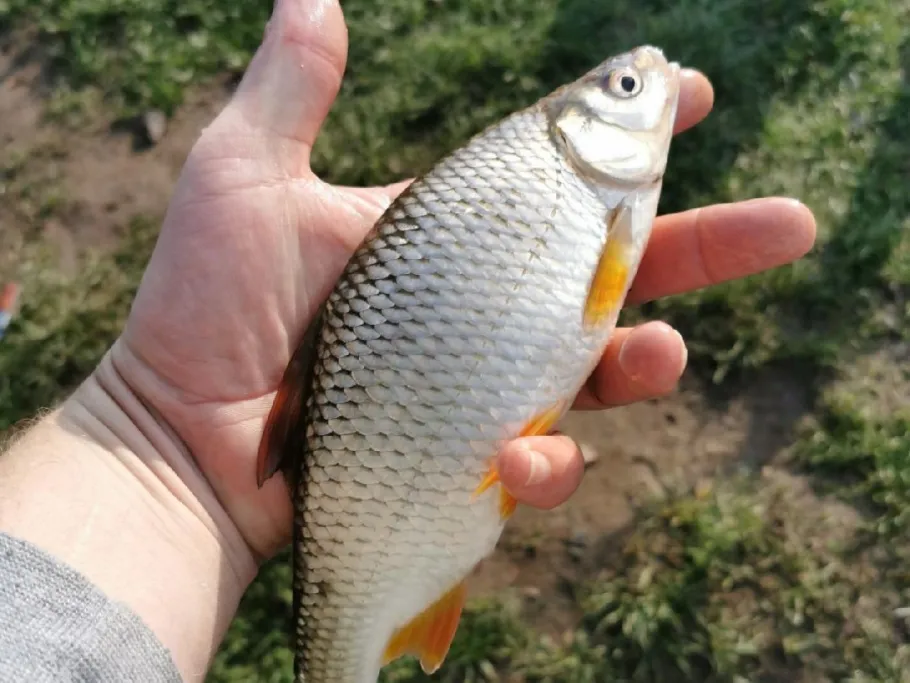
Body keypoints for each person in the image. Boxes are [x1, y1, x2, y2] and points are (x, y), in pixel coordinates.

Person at [0, 0, 818, 680]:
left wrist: (155, 439)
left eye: (624, 83)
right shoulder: (555, 174)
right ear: (579, 132)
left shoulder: (564, 178)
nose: (644, 78)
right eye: (626, 85)